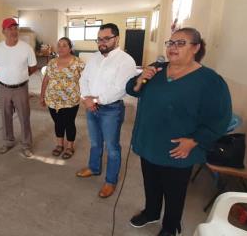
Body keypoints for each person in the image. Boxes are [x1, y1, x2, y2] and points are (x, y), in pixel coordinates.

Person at [126, 27, 232, 236]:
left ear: (196, 48)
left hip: (178, 148)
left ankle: (170, 226)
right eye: (171, 43)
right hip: (149, 142)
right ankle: (152, 212)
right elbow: (131, 89)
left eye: (181, 43)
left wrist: (194, 141)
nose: (173, 48)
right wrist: (139, 80)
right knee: (151, 183)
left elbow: (220, 119)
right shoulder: (156, 70)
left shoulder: (210, 81)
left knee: (174, 192)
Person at [76, 23, 137, 198]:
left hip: (111, 109)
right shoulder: (94, 57)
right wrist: (87, 98)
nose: (102, 42)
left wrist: (94, 100)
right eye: (99, 39)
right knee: (95, 143)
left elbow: (120, 88)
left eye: (106, 39)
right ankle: (94, 168)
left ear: (116, 39)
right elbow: (84, 79)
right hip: (91, 107)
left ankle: (110, 181)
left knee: (112, 147)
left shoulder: (126, 61)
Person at [0, 18, 38, 157]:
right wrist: (6, 75)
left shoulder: (26, 48)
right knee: (5, 116)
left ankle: (26, 145)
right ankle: (8, 142)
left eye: (15, 28)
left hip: (21, 88)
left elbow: (33, 67)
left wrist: (20, 76)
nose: (13, 31)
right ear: (3, 31)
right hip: (3, 87)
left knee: (24, 117)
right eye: (10, 29)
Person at [40, 37, 85, 159]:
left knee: (69, 123)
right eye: (59, 45)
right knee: (58, 123)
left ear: (70, 48)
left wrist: (86, 96)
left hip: (71, 100)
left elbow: (86, 80)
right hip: (52, 99)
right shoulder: (52, 62)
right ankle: (59, 144)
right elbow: (46, 79)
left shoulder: (78, 62)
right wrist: (42, 95)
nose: (61, 48)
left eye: (64, 45)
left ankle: (70, 146)